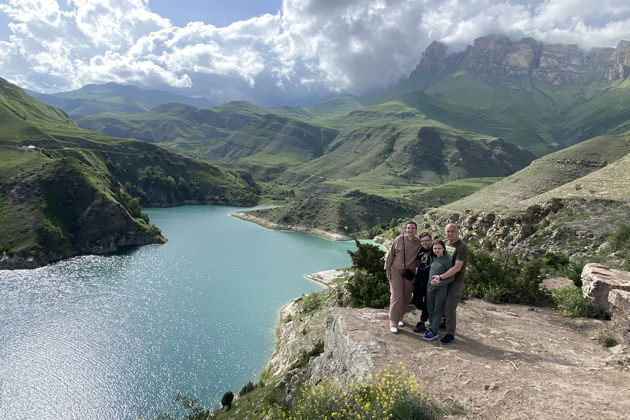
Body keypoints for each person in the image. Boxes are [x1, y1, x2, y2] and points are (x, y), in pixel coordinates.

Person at [431, 223, 468, 344]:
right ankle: (444, 323)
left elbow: (457, 268)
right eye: (448, 231)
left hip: (455, 281)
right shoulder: (445, 244)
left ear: (457, 231)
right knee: (441, 303)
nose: (450, 233)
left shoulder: (461, 247)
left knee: (449, 307)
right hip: (446, 279)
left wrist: (441, 277)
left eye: (452, 231)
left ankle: (450, 333)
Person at [384, 221, 423, 334]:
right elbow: (391, 254)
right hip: (395, 271)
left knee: (406, 296)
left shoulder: (418, 242)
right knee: (396, 296)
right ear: (405, 229)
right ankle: (393, 322)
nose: (410, 230)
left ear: (416, 230)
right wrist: (387, 269)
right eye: (408, 228)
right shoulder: (399, 239)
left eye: (412, 228)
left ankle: (400, 317)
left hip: (409, 273)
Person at [423, 239, 454, 341]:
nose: (437, 250)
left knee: (438, 309)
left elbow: (451, 277)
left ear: (443, 249)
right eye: (435, 248)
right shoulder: (434, 259)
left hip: (441, 289)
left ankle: (434, 331)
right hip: (430, 288)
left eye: (439, 248)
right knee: (430, 308)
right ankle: (432, 326)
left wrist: (440, 282)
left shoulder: (447, 261)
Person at [412, 232, 433, 333]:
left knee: (428, 302)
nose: (425, 243)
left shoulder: (435, 251)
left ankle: (422, 322)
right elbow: (416, 262)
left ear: (431, 240)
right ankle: (433, 313)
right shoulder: (420, 250)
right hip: (419, 280)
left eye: (427, 240)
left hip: (430, 282)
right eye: (423, 241)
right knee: (416, 301)